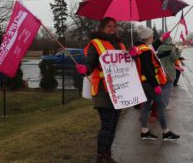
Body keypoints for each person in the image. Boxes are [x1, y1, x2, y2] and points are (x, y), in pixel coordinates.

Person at [76, 17, 126, 163]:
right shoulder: (96, 44)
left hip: (119, 91)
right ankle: (100, 156)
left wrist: (134, 57)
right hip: (103, 91)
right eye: (109, 26)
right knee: (107, 125)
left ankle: (107, 154)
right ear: (102, 28)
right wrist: (85, 68)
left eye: (114, 26)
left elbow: (126, 66)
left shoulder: (120, 44)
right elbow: (90, 63)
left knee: (114, 125)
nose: (112, 29)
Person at [134, 25, 180, 141]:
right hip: (150, 84)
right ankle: (166, 132)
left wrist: (161, 39)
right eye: (152, 36)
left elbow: (152, 47)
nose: (153, 37)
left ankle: (144, 131)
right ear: (148, 36)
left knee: (146, 106)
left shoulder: (141, 48)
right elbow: (149, 70)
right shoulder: (145, 51)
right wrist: (156, 86)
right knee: (161, 105)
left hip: (144, 83)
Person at [156, 37, 180, 109]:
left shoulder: (159, 47)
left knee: (162, 88)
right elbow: (174, 59)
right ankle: (164, 105)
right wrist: (178, 52)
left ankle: (159, 104)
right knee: (167, 89)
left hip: (161, 70)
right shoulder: (171, 48)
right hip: (169, 71)